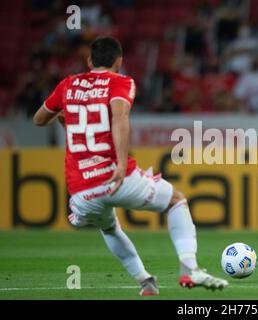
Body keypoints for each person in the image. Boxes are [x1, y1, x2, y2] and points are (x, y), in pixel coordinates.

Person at [32, 36, 228, 296]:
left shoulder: (67, 85)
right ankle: (189, 268)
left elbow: (38, 119)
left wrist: (66, 120)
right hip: (115, 178)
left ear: (90, 61)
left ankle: (145, 281)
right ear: (119, 61)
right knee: (176, 201)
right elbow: (120, 117)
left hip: (81, 191)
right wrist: (122, 165)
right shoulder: (120, 82)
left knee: (109, 226)